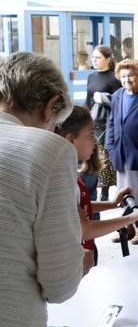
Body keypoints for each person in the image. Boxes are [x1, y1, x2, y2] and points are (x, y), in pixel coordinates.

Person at [0, 53, 83, 326]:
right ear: (50, 107)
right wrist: (80, 264)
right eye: (55, 124)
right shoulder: (49, 150)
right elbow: (59, 284)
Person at [57, 106, 138, 264]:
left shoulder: (69, 169)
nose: (95, 140)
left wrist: (113, 204)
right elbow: (85, 229)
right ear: (70, 139)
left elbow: (81, 206)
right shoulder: (61, 177)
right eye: (91, 135)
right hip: (75, 256)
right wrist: (130, 218)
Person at [106, 59, 138, 244]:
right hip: (120, 152)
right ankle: (127, 227)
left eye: (131, 75)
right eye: (124, 76)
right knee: (123, 193)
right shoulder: (117, 95)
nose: (127, 79)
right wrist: (110, 147)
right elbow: (111, 123)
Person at [85, 45, 121, 202]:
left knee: (105, 160)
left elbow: (119, 103)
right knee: (92, 157)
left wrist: (105, 98)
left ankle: (104, 193)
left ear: (108, 59)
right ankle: (92, 189)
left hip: (108, 124)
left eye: (98, 57)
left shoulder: (114, 79)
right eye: (92, 57)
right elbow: (88, 100)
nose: (94, 60)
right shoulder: (91, 77)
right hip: (93, 122)